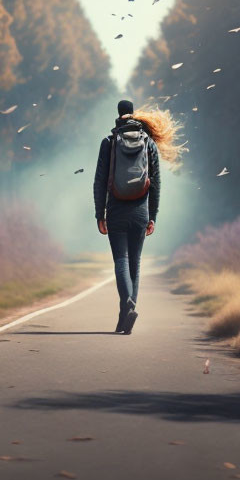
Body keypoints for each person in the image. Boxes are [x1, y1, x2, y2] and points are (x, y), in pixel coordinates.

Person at [93, 100, 184, 335]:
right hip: (140, 212)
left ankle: (128, 305)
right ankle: (125, 315)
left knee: (121, 261)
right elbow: (156, 184)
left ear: (118, 115)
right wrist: (152, 215)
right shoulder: (149, 143)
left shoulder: (109, 142)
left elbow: (100, 182)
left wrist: (99, 214)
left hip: (115, 211)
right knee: (135, 262)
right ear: (134, 114)